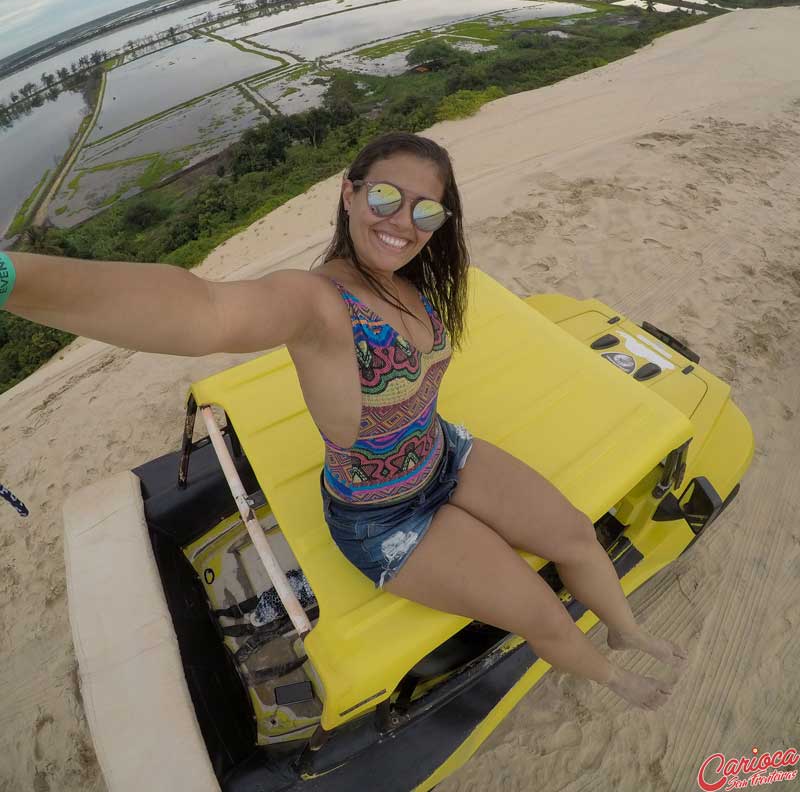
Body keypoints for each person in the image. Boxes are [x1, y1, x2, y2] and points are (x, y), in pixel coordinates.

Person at [1, 130, 686, 710]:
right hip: (386, 518)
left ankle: (622, 629)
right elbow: (201, 310)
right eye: (385, 196)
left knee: (573, 533)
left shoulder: (412, 279)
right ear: (349, 193)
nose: (402, 221)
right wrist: (9, 278)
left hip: (445, 453)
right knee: (542, 612)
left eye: (427, 211)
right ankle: (615, 677)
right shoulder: (318, 304)